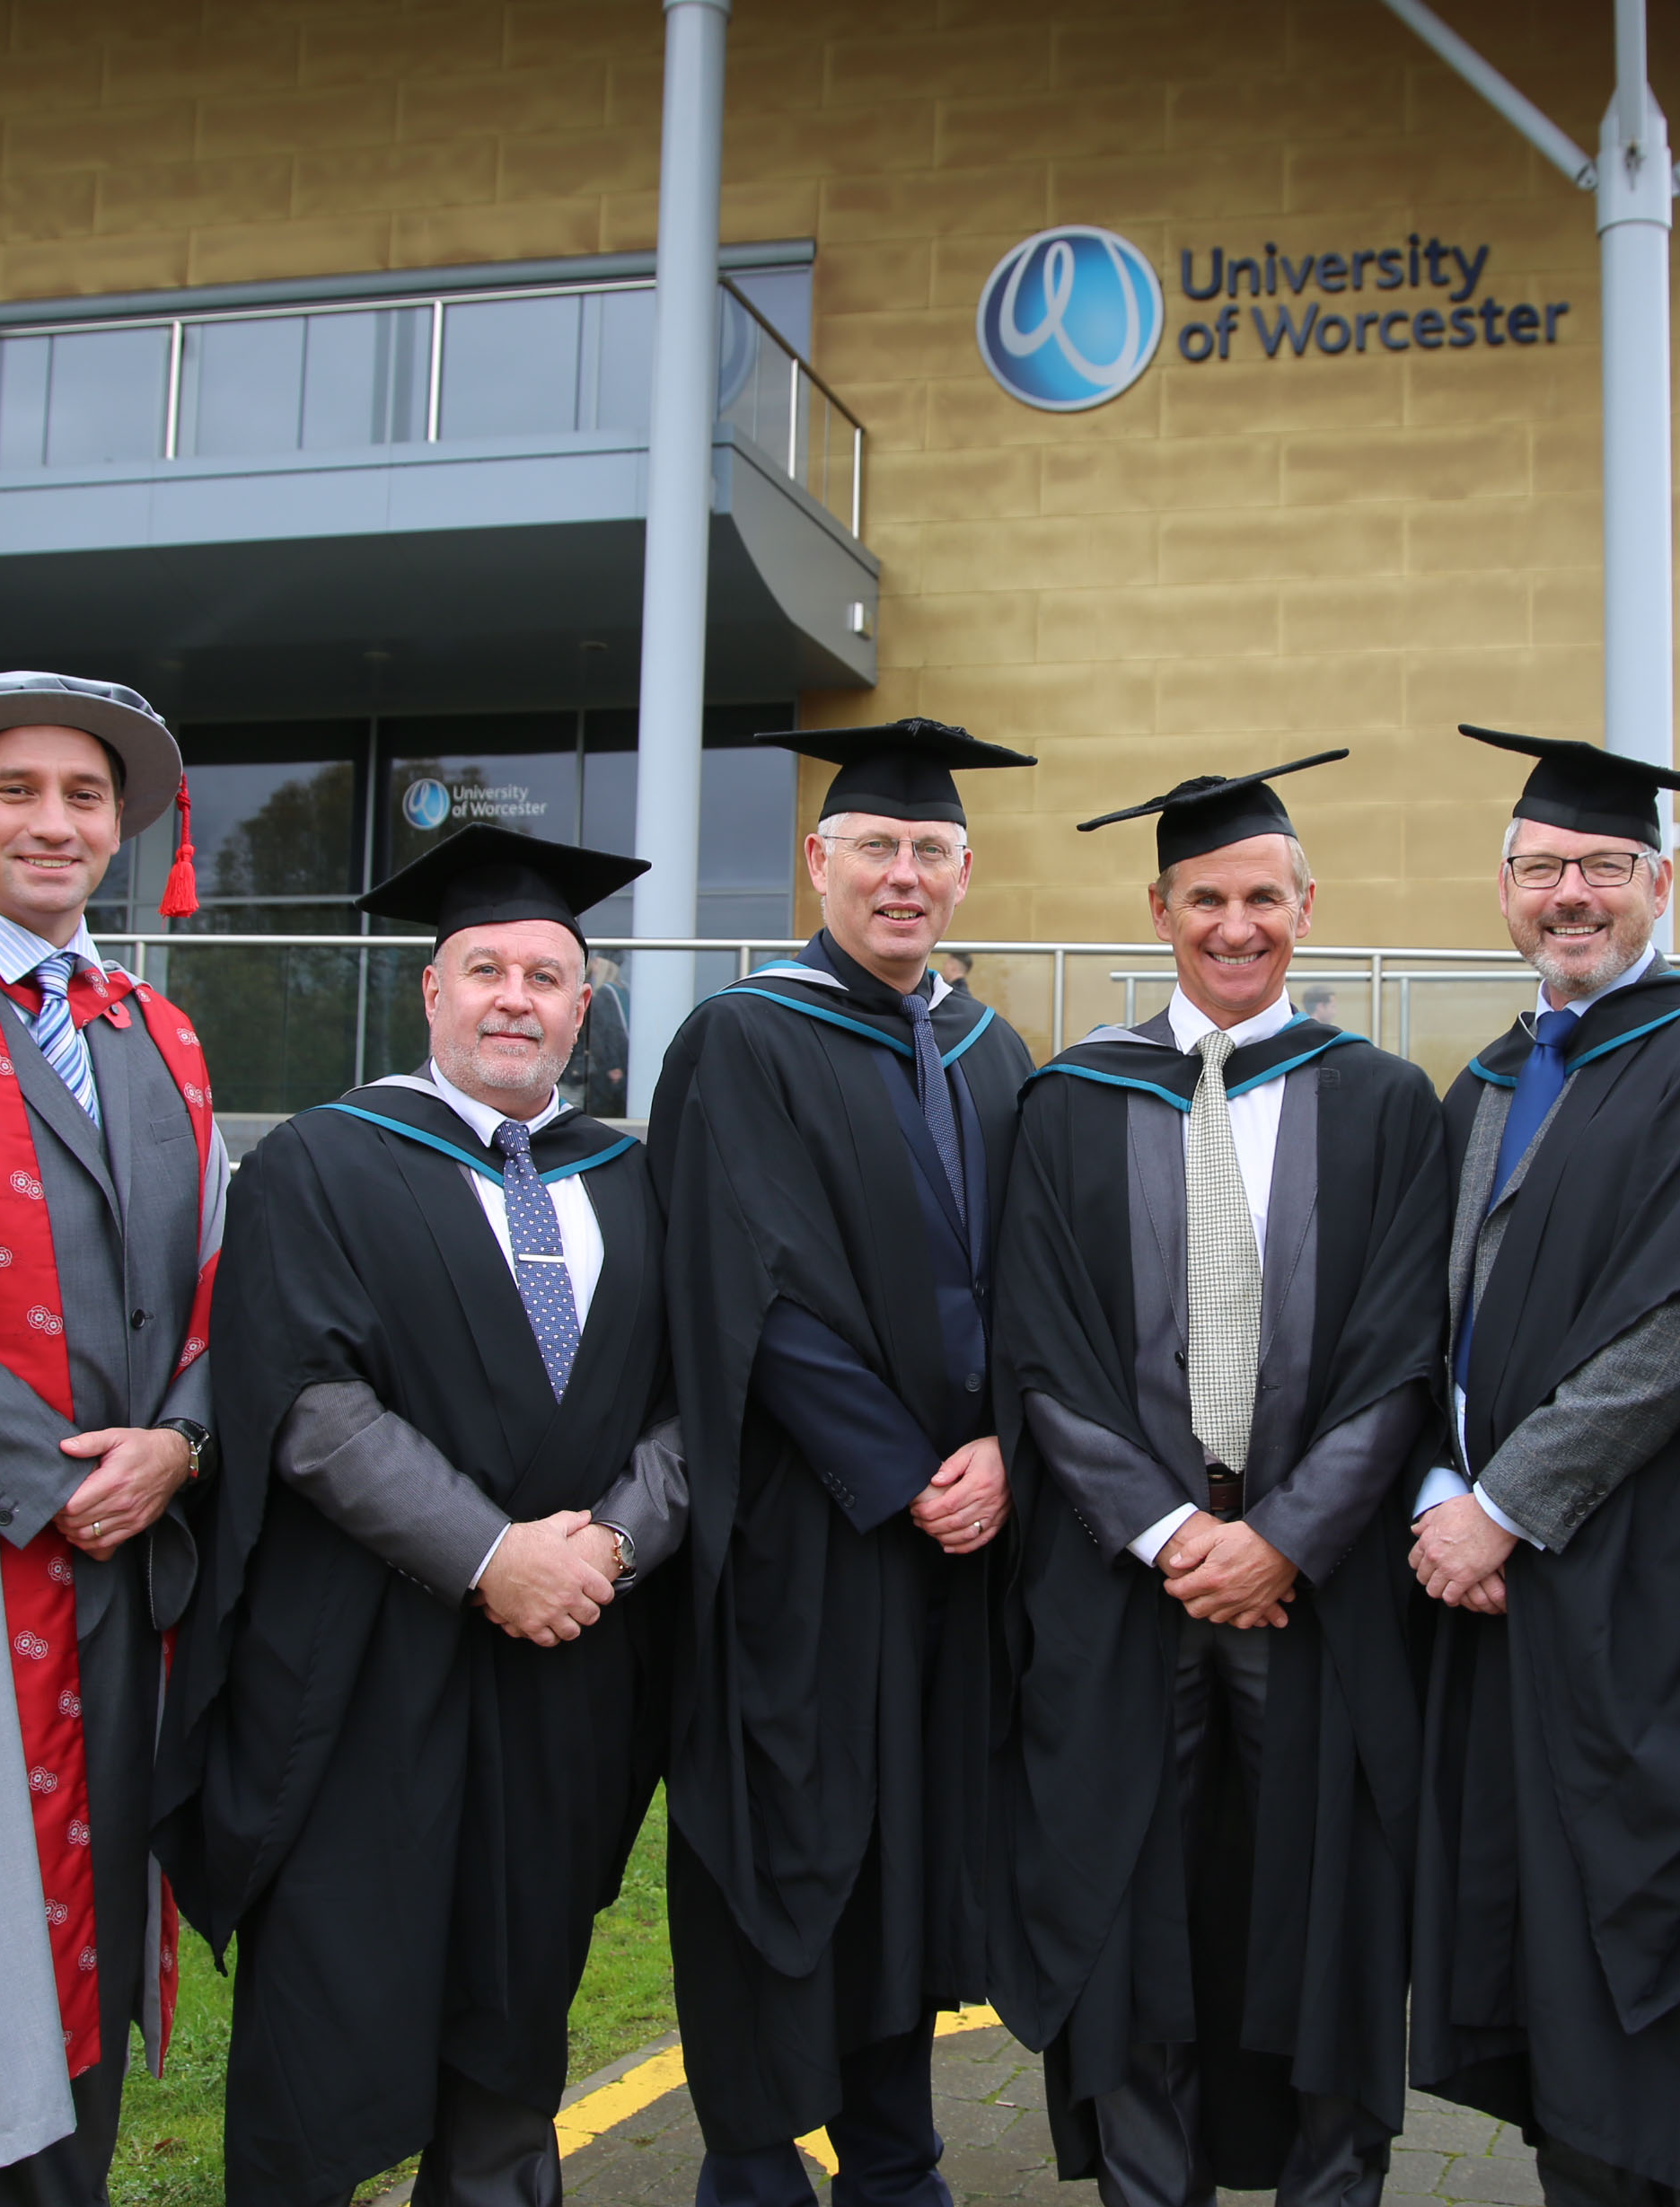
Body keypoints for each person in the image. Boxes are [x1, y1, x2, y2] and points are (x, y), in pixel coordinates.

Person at [155, 824, 683, 2207]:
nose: (517, 996)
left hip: (569, 1664)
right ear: (430, 990)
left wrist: (615, 1543)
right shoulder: (321, 1163)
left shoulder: (630, 1178)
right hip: (367, 1666)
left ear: (585, 1003)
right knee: (333, 2002)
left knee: (518, 2009)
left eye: (549, 975)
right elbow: (306, 1399)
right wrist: (490, 1554)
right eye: (486, 968)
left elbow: (696, 1408)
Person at [990, 753, 1451, 2207]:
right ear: (1158, 906)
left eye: (1262, 896)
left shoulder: (1383, 1103)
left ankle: (1330, 2184)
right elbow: (1041, 1353)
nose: (1234, 923)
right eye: (1207, 897)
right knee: (1135, 1912)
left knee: (1323, 1909)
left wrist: (1287, 1540)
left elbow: (1401, 1353)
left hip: (1317, 1595)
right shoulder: (1069, 1099)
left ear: (1306, 908)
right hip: (1127, 1586)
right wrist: (1175, 1529)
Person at [1407, 726, 1680, 2207]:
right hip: (1501, 1597)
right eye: (1540, 868)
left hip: (1651, 1592)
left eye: (1599, 867)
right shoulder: (1491, 1077)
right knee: (1542, 1939)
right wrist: (1435, 1490)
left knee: (1661, 1923)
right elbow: (1431, 1318)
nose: (1566, 893)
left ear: (1659, 883)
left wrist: (1506, 1504)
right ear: (1503, 886)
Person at [649, 717, 1038, 2207]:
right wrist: (910, 1466)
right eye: (874, 846)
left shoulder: (994, 1046)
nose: (903, 874)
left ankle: (895, 2151)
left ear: (962, 868)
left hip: (961, 1534)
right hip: (807, 1537)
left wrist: (1003, 1441)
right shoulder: (747, 1036)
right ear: (818, 861)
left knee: (909, 1853)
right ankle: (750, 2157)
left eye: (929, 850)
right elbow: (748, 1284)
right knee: (779, 1836)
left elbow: (1043, 1274)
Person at [0, 672, 226, 2205]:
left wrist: (177, 1444)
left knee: (91, 1907)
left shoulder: (158, 1029)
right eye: (17, 788)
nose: (54, 820)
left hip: (123, 1571)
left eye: (84, 795)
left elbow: (226, 1293)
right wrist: (55, 1482)